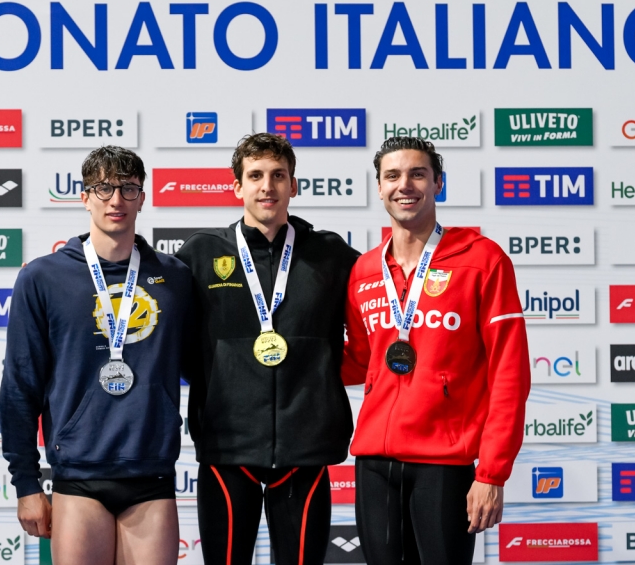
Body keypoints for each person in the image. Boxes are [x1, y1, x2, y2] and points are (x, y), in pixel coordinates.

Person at [0, 146, 192, 565]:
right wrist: (26, 484)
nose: (116, 199)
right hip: (78, 474)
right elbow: (19, 388)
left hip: (151, 471)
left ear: (143, 197)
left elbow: (205, 366)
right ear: (84, 197)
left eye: (128, 188)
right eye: (103, 188)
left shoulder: (175, 277)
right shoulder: (43, 278)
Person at [342, 136, 530, 564]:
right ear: (379, 187)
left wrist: (492, 472)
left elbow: (510, 372)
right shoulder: (365, 270)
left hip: (444, 462)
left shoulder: (483, 260)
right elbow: (359, 361)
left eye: (418, 174)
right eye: (392, 175)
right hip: (374, 463)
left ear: (438, 183)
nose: (404, 185)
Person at [175, 133, 359, 565]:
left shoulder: (331, 254)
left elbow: (379, 319)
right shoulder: (201, 254)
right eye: (255, 175)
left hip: (305, 450)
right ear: (237, 186)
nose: (267, 186)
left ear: (293, 185)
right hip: (227, 449)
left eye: (278, 175)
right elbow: (173, 344)